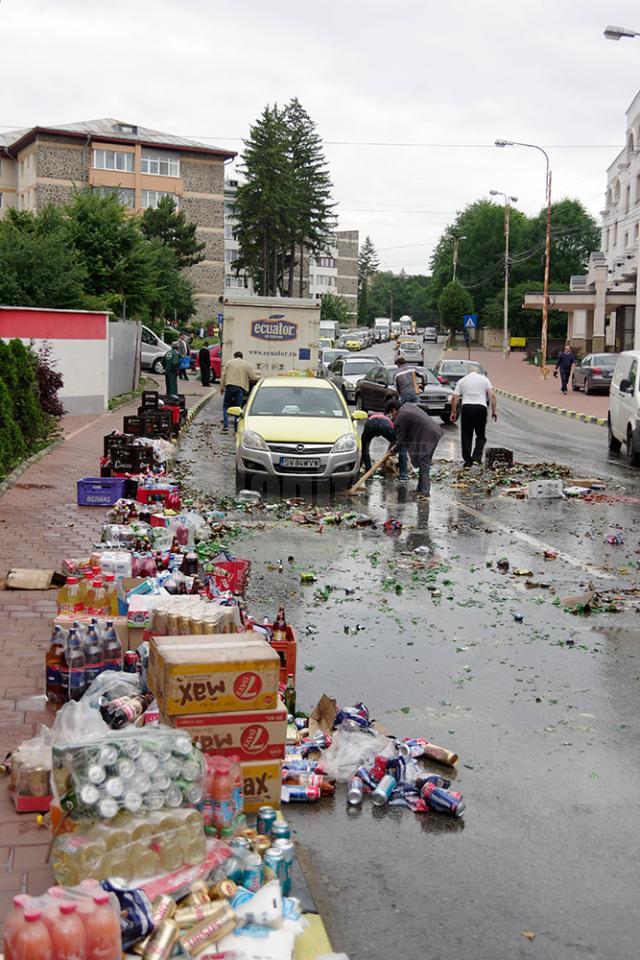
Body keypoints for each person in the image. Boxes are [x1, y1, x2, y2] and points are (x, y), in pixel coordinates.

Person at [386, 398, 443, 499]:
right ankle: (419, 489)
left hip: (429, 434)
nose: (391, 417)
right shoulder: (407, 406)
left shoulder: (400, 418)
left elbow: (401, 441)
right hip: (429, 432)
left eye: (390, 414)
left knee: (423, 462)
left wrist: (393, 451)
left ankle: (425, 493)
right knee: (422, 462)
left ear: (394, 410)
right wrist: (394, 448)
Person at [450, 367, 497, 468]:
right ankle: (476, 458)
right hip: (481, 408)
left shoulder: (462, 381)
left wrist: (453, 412)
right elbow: (492, 395)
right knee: (480, 435)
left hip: (466, 407)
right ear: (478, 372)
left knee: (466, 435)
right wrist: (494, 410)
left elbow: (454, 398)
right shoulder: (484, 379)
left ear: (468, 372)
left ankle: (467, 461)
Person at [360, 410, 408, 481]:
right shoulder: (389, 421)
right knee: (402, 446)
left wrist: (390, 452)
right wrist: (390, 452)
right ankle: (403, 476)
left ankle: (368, 473)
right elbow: (395, 442)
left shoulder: (371, 418)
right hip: (384, 424)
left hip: (370, 425)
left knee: (364, 449)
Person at [220, 351, 257, 433]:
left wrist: (222, 388)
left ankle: (226, 425)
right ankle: (236, 428)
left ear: (235, 356)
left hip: (229, 386)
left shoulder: (229, 363)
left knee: (226, 406)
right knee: (238, 408)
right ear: (242, 357)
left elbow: (223, 375)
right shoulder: (246, 364)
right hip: (240, 388)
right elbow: (252, 377)